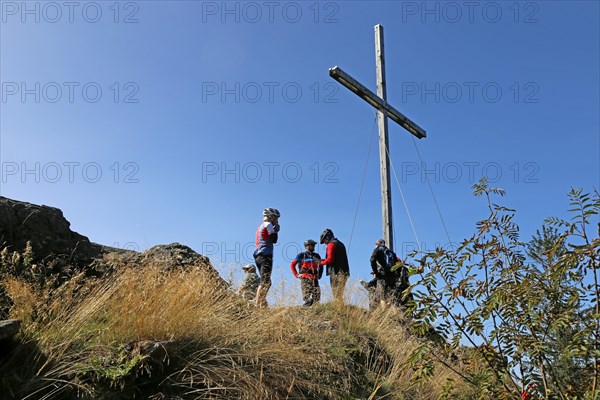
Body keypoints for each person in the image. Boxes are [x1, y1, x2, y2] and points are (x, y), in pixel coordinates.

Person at [253, 207, 280, 307]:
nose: (277, 220)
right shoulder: (268, 224)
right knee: (265, 282)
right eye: (276, 218)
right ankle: (258, 304)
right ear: (271, 216)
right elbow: (274, 239)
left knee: (267, 281)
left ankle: (262, 302)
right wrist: (276, 230)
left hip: (259, 255)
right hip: (265, 255)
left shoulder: (261, 225)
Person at [319, 229, 350, 303]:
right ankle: (340, 307)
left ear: (327, 237)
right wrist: (324, 260)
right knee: (340, 292)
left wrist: (321, 263)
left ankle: (337, 307)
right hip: (345, 271)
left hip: (335, 272)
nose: (325, 243)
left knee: (336, 292)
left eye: (324, 241)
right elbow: (337, 257)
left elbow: (330, 259)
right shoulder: (341, 244)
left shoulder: (331, 245)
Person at [290, 239, 323, 307]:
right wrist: (297, 275)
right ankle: (304, 311)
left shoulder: (317, 256)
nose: (314, 246)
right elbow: (292, 265)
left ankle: (316, 314)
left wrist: (319, 275)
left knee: (317, 298)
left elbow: (321, 266)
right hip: (305, 278)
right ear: (307, 246)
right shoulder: (301, 255)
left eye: (314, 245)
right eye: (312, 245)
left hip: (315, 278)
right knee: (307, 298)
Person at [369, 239, 398, 308]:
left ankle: (385, 316)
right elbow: (397, 265)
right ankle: (396, 317)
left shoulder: (377, 250)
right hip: (393, 277)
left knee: (382, 297)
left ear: (378, 244)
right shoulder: (392, 253)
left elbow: (372, 260)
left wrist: (375, 272)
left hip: (382, 276)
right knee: (391, 299)